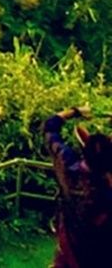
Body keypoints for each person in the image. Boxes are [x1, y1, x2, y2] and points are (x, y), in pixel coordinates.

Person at [42, 104, 112, 266]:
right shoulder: (106, 195)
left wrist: (75, 112)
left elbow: (49, 127)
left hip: (69, 251)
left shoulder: (68, 167)